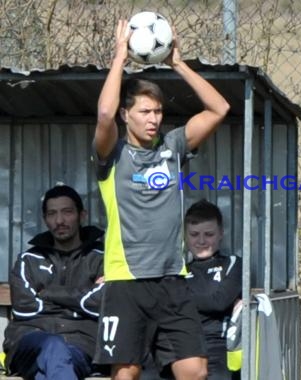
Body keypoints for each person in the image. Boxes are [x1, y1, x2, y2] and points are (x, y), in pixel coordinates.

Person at [92, 19, 230, 380]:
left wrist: (178, 64)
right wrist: (120, 58)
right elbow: (104, 114)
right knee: (127, 374)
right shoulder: (112, 155)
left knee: (195, 372)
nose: (153, 120)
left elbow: (220, 110)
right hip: (127, 282)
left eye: (158, 112)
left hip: (172, 279)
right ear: (127, 115)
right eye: (144, 112)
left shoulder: (173, 147)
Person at [2, 184, 106, 380]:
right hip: (30, 340)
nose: (59, 220)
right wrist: (80, 300)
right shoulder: (28, 260)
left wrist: (47, 293)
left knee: (47, 371)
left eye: (67, 212)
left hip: (83, 343)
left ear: (82, 215)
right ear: (45, 219)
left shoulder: (102, 258)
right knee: (54, 347)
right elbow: (26, 309)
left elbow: (101, 305)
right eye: (52, 214)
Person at [184, 200, 242, 380]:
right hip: (184, 347)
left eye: (208, 234)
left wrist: (184, 298)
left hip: (219, 347)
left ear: (220, 234)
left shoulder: (232, 263)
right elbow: (166, 303)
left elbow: (219, 301)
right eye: (194, 234)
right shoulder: (178, 270)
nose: (201, 241)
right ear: (185, 235)